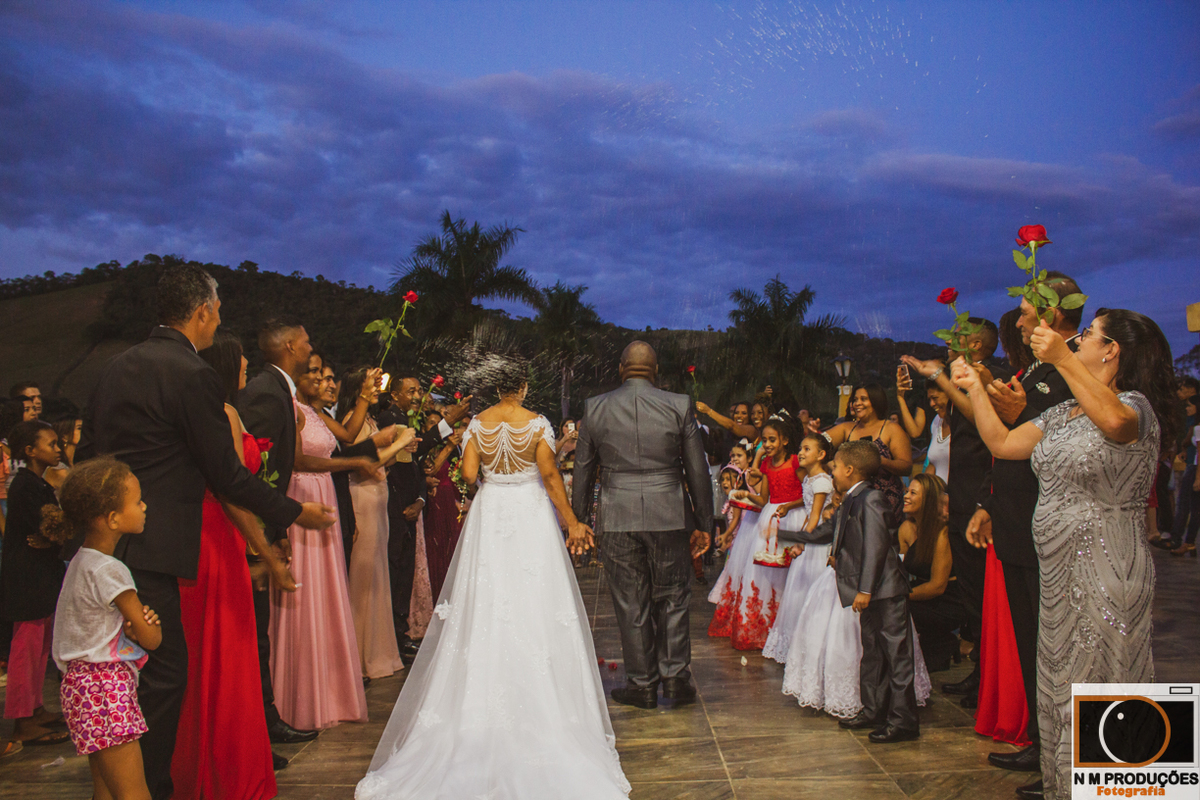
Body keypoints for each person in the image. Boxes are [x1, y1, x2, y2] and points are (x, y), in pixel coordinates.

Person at [75, 265, 334, 800]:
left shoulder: (113, 368)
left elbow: (86, 460)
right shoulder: (191, 373)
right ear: (201, 312)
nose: (218, 321)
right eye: (216, 311)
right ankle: (149, 789)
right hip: (161, 543)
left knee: (117, 676)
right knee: (165, 677)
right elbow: (225, 473)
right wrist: (292, 512)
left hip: (105, 546)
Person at [356, 357, 630, 799]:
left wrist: (489, 471)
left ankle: (471, 712)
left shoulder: (479, 424)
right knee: (534, 602)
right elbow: (547, 474)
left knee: (484, 601)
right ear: (521, 386)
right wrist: (572, 520)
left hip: (491, 511)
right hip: (528, 513)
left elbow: (467, 475)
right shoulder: (537, 423)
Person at [952, 308, 1175, 800]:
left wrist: (1059, 357)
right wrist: (971, 387)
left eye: (1089, 336)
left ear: (1112, 350)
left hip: (1107, 566)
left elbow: (1116, 424)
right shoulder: (1064, 411)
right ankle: (1071, 788)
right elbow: (1004, 442)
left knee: (1106, 681)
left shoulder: (1133, 406)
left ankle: (1122, 791)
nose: (1077, 343)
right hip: (1057, 572)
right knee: (1065, 684)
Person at [170, 332, 302, 796]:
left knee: (217, 654)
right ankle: (227, 769)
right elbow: (228, 486)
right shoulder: (223, 415)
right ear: (229, 367)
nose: (248, 367)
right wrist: (266, 545)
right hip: (219, 534)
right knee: (225, 655)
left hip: (217, 531)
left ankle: (212, 762)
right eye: (243, 362)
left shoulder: (223, 413)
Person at [962, 279, 1083, 781]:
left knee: (1059, 644)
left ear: (1055, 314)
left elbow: (1068, 431)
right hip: (1015, 520)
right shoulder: (1034, 368)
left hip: (1050, 527)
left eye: (1026, 311)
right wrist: (989, 502)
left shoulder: (1076, 365)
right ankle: (1043, 741)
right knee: (1034, 641)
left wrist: (1020, 411)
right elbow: (1010, 443)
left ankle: (1070, 755)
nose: (1018, 320)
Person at [572, 341, 712, 709]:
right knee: (673, 597)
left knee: (631, 602)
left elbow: (584, 470)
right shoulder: (679, 404)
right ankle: (676, 679)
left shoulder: (595, 408)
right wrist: (704, 521)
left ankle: (642, 684)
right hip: (669, 513)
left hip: (617, 515)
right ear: (656, 370)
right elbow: (697, 469)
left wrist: (580, 520)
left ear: (621, 369)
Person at [902, 317, 1012, 708]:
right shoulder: (959, 391)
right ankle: (981, 672)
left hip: (981, 505)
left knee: (984, 597)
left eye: (954, 346)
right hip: (961, 502)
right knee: (973, 597)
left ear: (975, 346)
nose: (948, 355)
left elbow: (989, 441)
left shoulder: (993, 380)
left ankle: (992, 678)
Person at [270, 353, 376, 731]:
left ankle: (331, 690)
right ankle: (300, 695)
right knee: (305, 594)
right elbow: (297, 461)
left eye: (324, 373)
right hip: (304, 498)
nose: (320, 379)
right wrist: (354, 464)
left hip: (325, 495)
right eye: (314, 372)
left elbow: (346, 439)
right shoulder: (293, 410)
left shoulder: (316, 414)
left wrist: (364, 396)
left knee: (327, 595)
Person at [48, 458, 162, 800]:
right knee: (133, 792)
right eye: (137, 502)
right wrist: (148, 625)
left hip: (79, 688)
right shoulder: (111, 570)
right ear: (112, 518)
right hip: (106, 689)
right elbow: (151, 639)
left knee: (106, 790)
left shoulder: (81, 561)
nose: (144, 507)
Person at [804, 441, 919, 743]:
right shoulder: (854, 498)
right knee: (873, 653)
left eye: (835, 467)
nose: (832, 472)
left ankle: (902, 719)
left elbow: (876, 545)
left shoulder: (872, 498)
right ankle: (873, 709)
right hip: (870, 591)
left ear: (850, 470)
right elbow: (848, 537)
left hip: (886, 590)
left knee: (896, 655)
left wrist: (865, 588)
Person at [375, 377, 473, 664]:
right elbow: (410, 456)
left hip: (411, 505)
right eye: (411, 391)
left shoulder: (406, 420)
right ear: (394, 395)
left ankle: (401, 632)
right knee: (395, 571)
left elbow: (415, 464)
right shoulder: (388, 419)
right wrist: (447, 423)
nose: (418, 395)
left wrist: (419, 500)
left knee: (405, 571)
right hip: (393, 505)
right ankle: (393, 634)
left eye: (419, 390)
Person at [338, 365, 419, 681]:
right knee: (363, 580)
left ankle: (378, 651)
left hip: (378, 500)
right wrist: (397, 445)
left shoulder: (370, 421)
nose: (377, 391)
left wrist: (401, 446)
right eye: (372, 385)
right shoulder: (351, 422)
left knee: (377, 578)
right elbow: (362, 466)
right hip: (363, 500)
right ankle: (358, 657)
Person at [0, 420, 69, 747]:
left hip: (40, 578)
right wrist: (58, 536)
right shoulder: (26, 486)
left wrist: (53, 538)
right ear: (30, 451)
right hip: (27, 580)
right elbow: (51, 529)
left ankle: (35, 707)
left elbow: (50, 535)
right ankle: (21, 718)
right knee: (25, 650)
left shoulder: (37, 484)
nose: (58, 449)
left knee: (40, 650)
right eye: (52, 444)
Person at [762, 432, 833, 662]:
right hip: (810, 536)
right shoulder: (810, 480)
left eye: (807, 449)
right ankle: (796, 645)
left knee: (809, 588)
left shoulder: (822, 480)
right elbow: (807, 512)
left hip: (818, 542)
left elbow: (816, 516)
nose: (801, 453)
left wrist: (801, 541)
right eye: (800, 448)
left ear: (821, 455)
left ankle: (810, 647)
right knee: (798, 588)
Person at [897, 474, 963, 673]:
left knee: (896, 608)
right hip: (919, 590)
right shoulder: (907, 528)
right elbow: (898, 569)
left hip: (947, 600)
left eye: (913, 493)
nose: (906, 496)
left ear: (929, 500)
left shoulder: (943, 533)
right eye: (907, 491)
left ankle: (944, 641)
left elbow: (937, 586)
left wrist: (899, 596)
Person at [824, 384, 913, 527]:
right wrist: (834, 467)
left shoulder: (891, 428)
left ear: (876, 401)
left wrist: (880, 461)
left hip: (884, 502)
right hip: (852, 501)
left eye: (863, 399)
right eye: (855, 399)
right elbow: (817, 445)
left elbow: (906, 466)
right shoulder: (847, 428)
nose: (857, 403)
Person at [707, 443, 762, 638]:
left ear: (749, 456)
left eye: (739, 455)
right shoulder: (740, 479)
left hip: (751, 530)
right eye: (732, 455)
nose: (735, 458)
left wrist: (727, 534)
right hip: (743, 533)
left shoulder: (750, 478)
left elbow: (742, 513)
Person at [1169, 376, 1199, 555]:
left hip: (1194, 467)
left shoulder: (1196, 426)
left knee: (1186, 504)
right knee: (1192, 506)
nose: (1188, 407)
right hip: (1192, 463)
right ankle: (1188, 542)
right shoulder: (1193, 424)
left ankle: (1179, 539)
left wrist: (1197, 477)